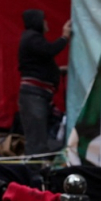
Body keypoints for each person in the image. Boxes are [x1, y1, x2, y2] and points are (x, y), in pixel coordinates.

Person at [18, 10, 71, 157]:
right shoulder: (32, 38)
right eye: (44, 20)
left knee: (38, 137)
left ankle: (35, 170)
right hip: (33, 97)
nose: (46, 24)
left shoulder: (31, 39)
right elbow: (49, 50)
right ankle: (33, 173)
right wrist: (65, 37)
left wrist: (57, 71)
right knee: (36, 141)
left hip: (36, 96)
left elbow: (38, 63)